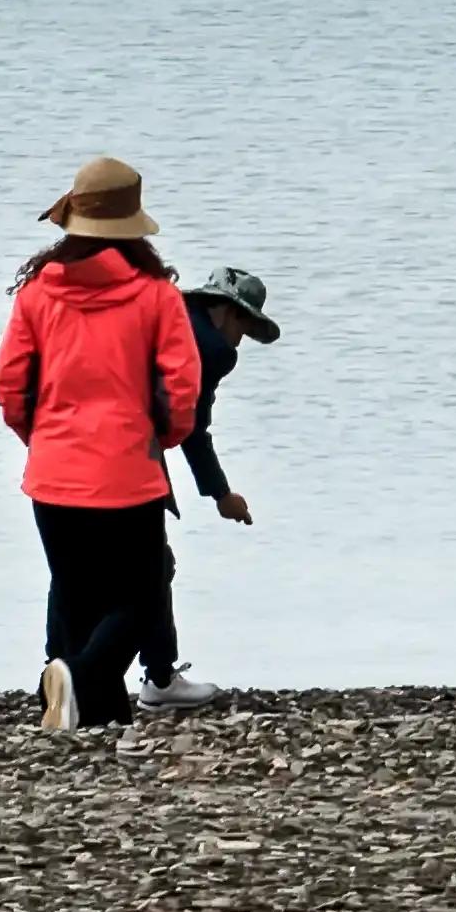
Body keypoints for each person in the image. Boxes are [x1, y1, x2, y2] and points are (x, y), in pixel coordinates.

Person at [0, 157, 212, 730]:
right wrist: (163, 437)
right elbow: (182, 386)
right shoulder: (156, 295)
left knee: (75, 594)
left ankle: (86, 710)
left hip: (54, 471)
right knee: (143, 595)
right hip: (128, 471)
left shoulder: (37, 293)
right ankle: (82, 681)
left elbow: (9, 384)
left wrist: (40, 438)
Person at [137, 267, 283, 706]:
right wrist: (221, 493)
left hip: (66, 444)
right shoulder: (213, 348)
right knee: (152, 566)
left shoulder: (162, 317)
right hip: (132, 454)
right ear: (225, 311)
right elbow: (192, 427)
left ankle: (62, 670)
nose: (240, 341)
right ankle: (157, 679)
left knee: (82, 567)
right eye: (245, 327)